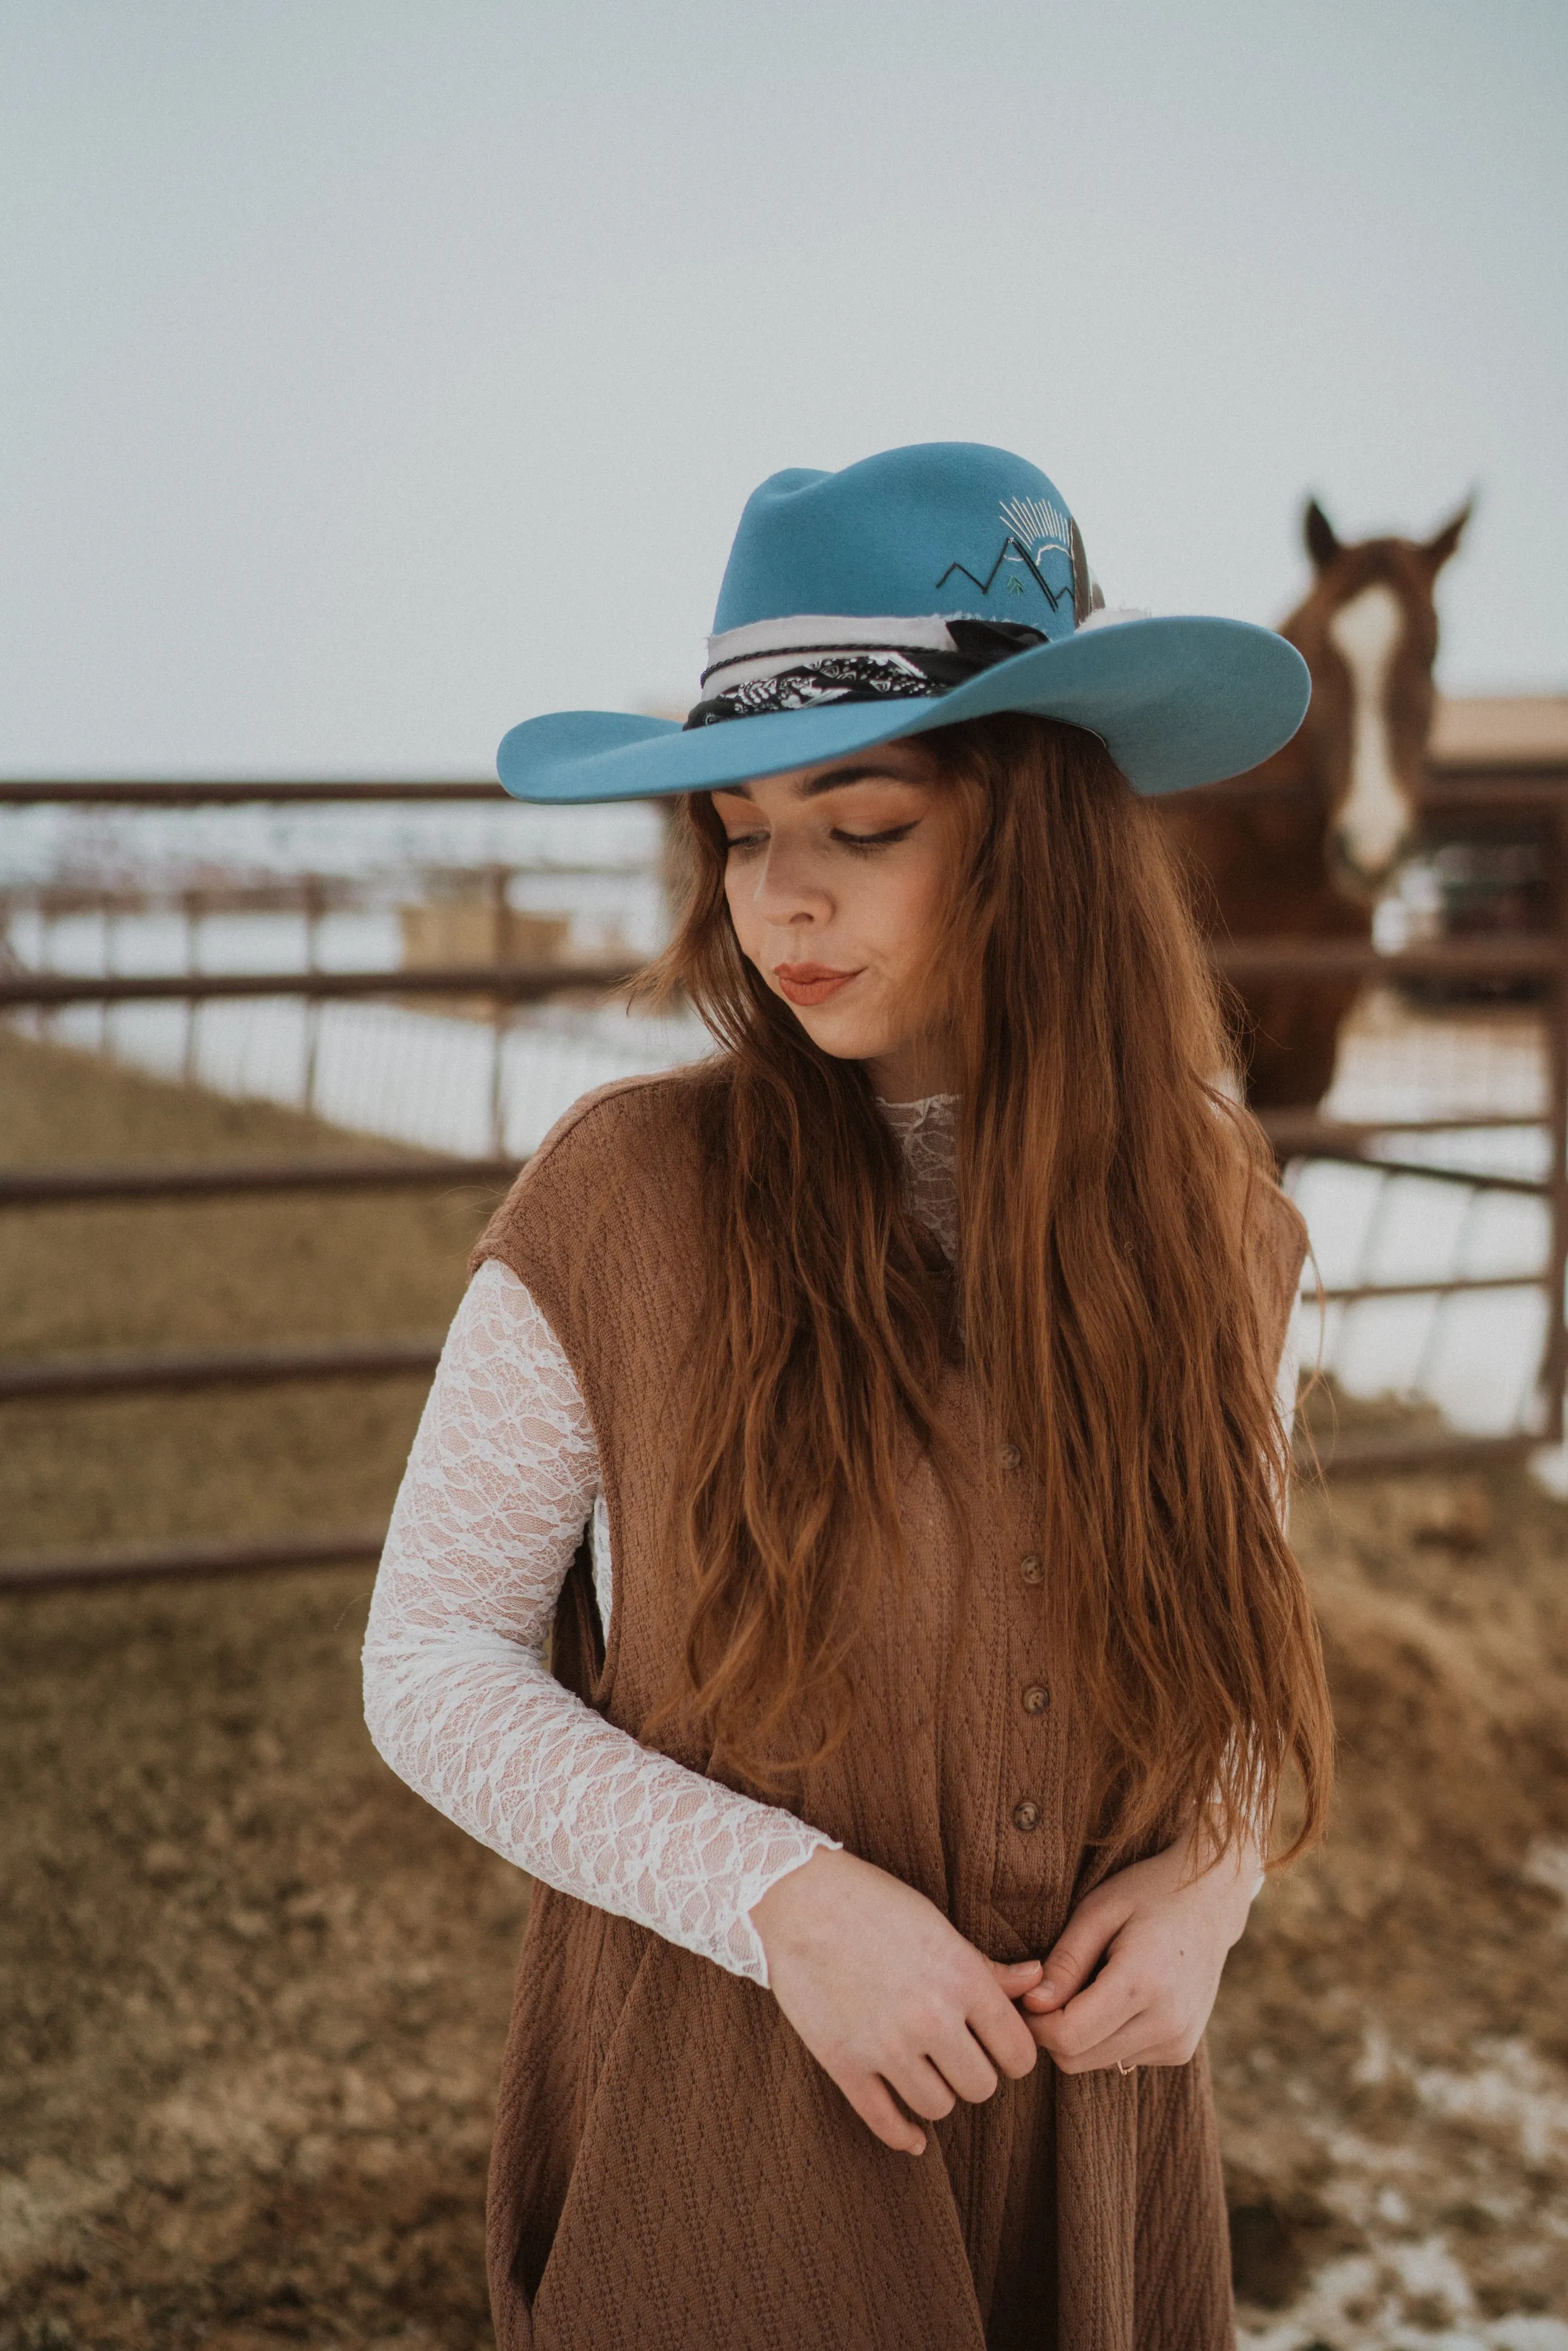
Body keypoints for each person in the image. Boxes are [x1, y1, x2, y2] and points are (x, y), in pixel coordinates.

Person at [362, 442, 1334, 2351]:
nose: (781, 901)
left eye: (862, 824)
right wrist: (786, 1900)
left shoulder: (1222, 1222)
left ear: (1039, 833)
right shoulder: (625, 1200)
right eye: (741, 834)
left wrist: (1213, 1877)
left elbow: (1236, 1633)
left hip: (1092, 2160)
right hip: (732, 2140)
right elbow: (431, 1658)